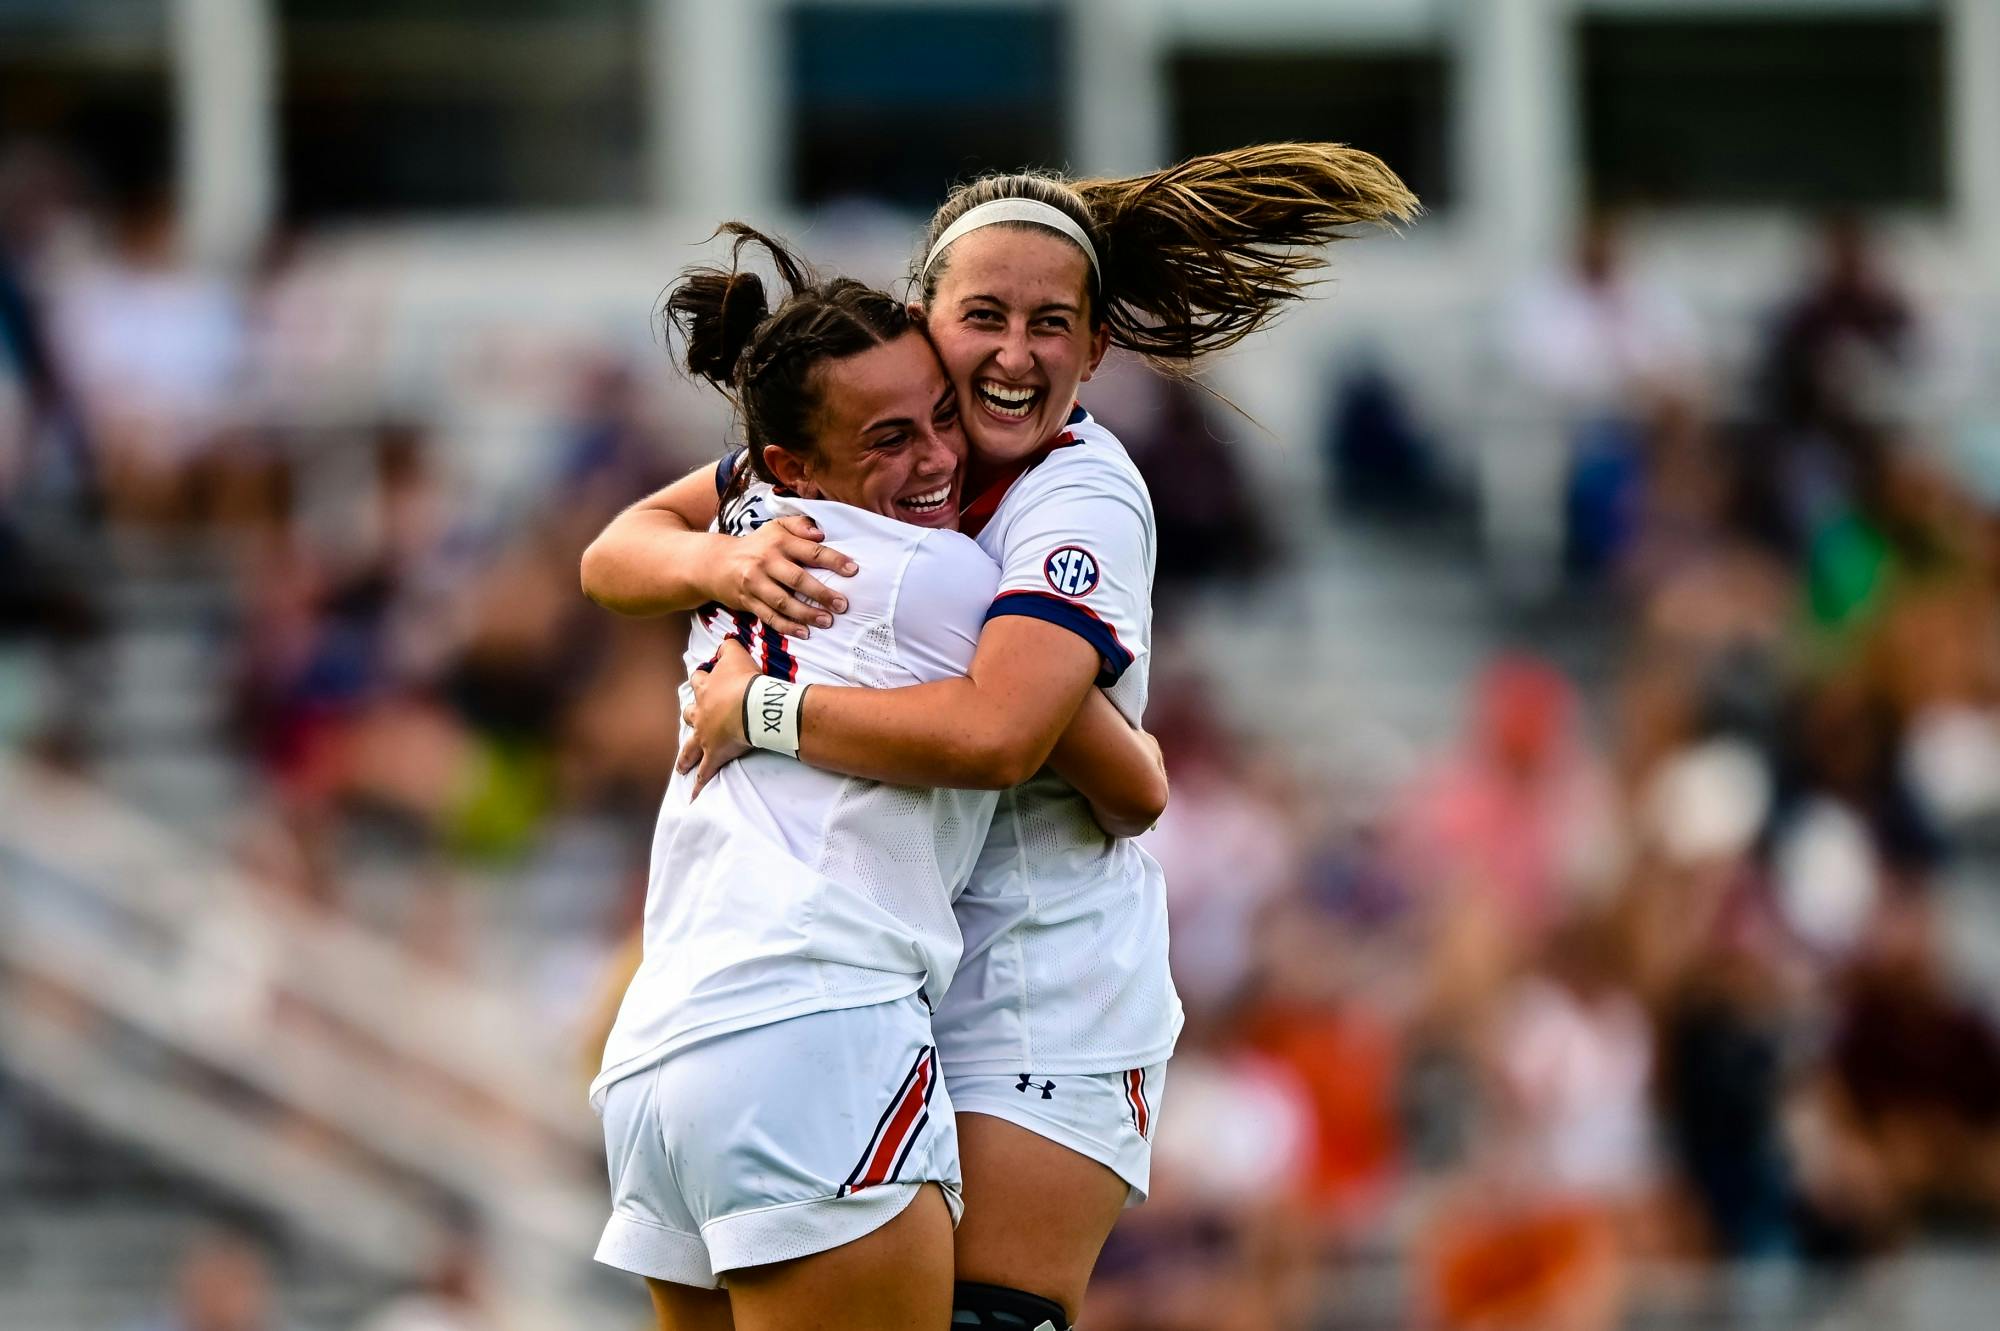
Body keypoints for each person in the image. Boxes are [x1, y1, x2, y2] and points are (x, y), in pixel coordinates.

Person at [604, 143, 1417, 1329]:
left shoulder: (1075, 491)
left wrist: (759, 709)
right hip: (885, 975)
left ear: (1094, 353)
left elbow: (1038, 745)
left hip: (1047, 979)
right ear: (924, 318)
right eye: (983, 314)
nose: (1016, 351)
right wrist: (725, 556)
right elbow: (616, 549)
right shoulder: (877, 466)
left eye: (1051, 325)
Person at [587, 227, 1165, 1331]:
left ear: (1091, 347)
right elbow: (1086, 767)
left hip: (662, 1055)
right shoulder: (940, 572)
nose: (937, 454)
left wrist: (720, 585)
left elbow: (613, 555)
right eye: (896, 436)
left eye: (1048, 322)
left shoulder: (775, 505)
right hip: (819, 1025)